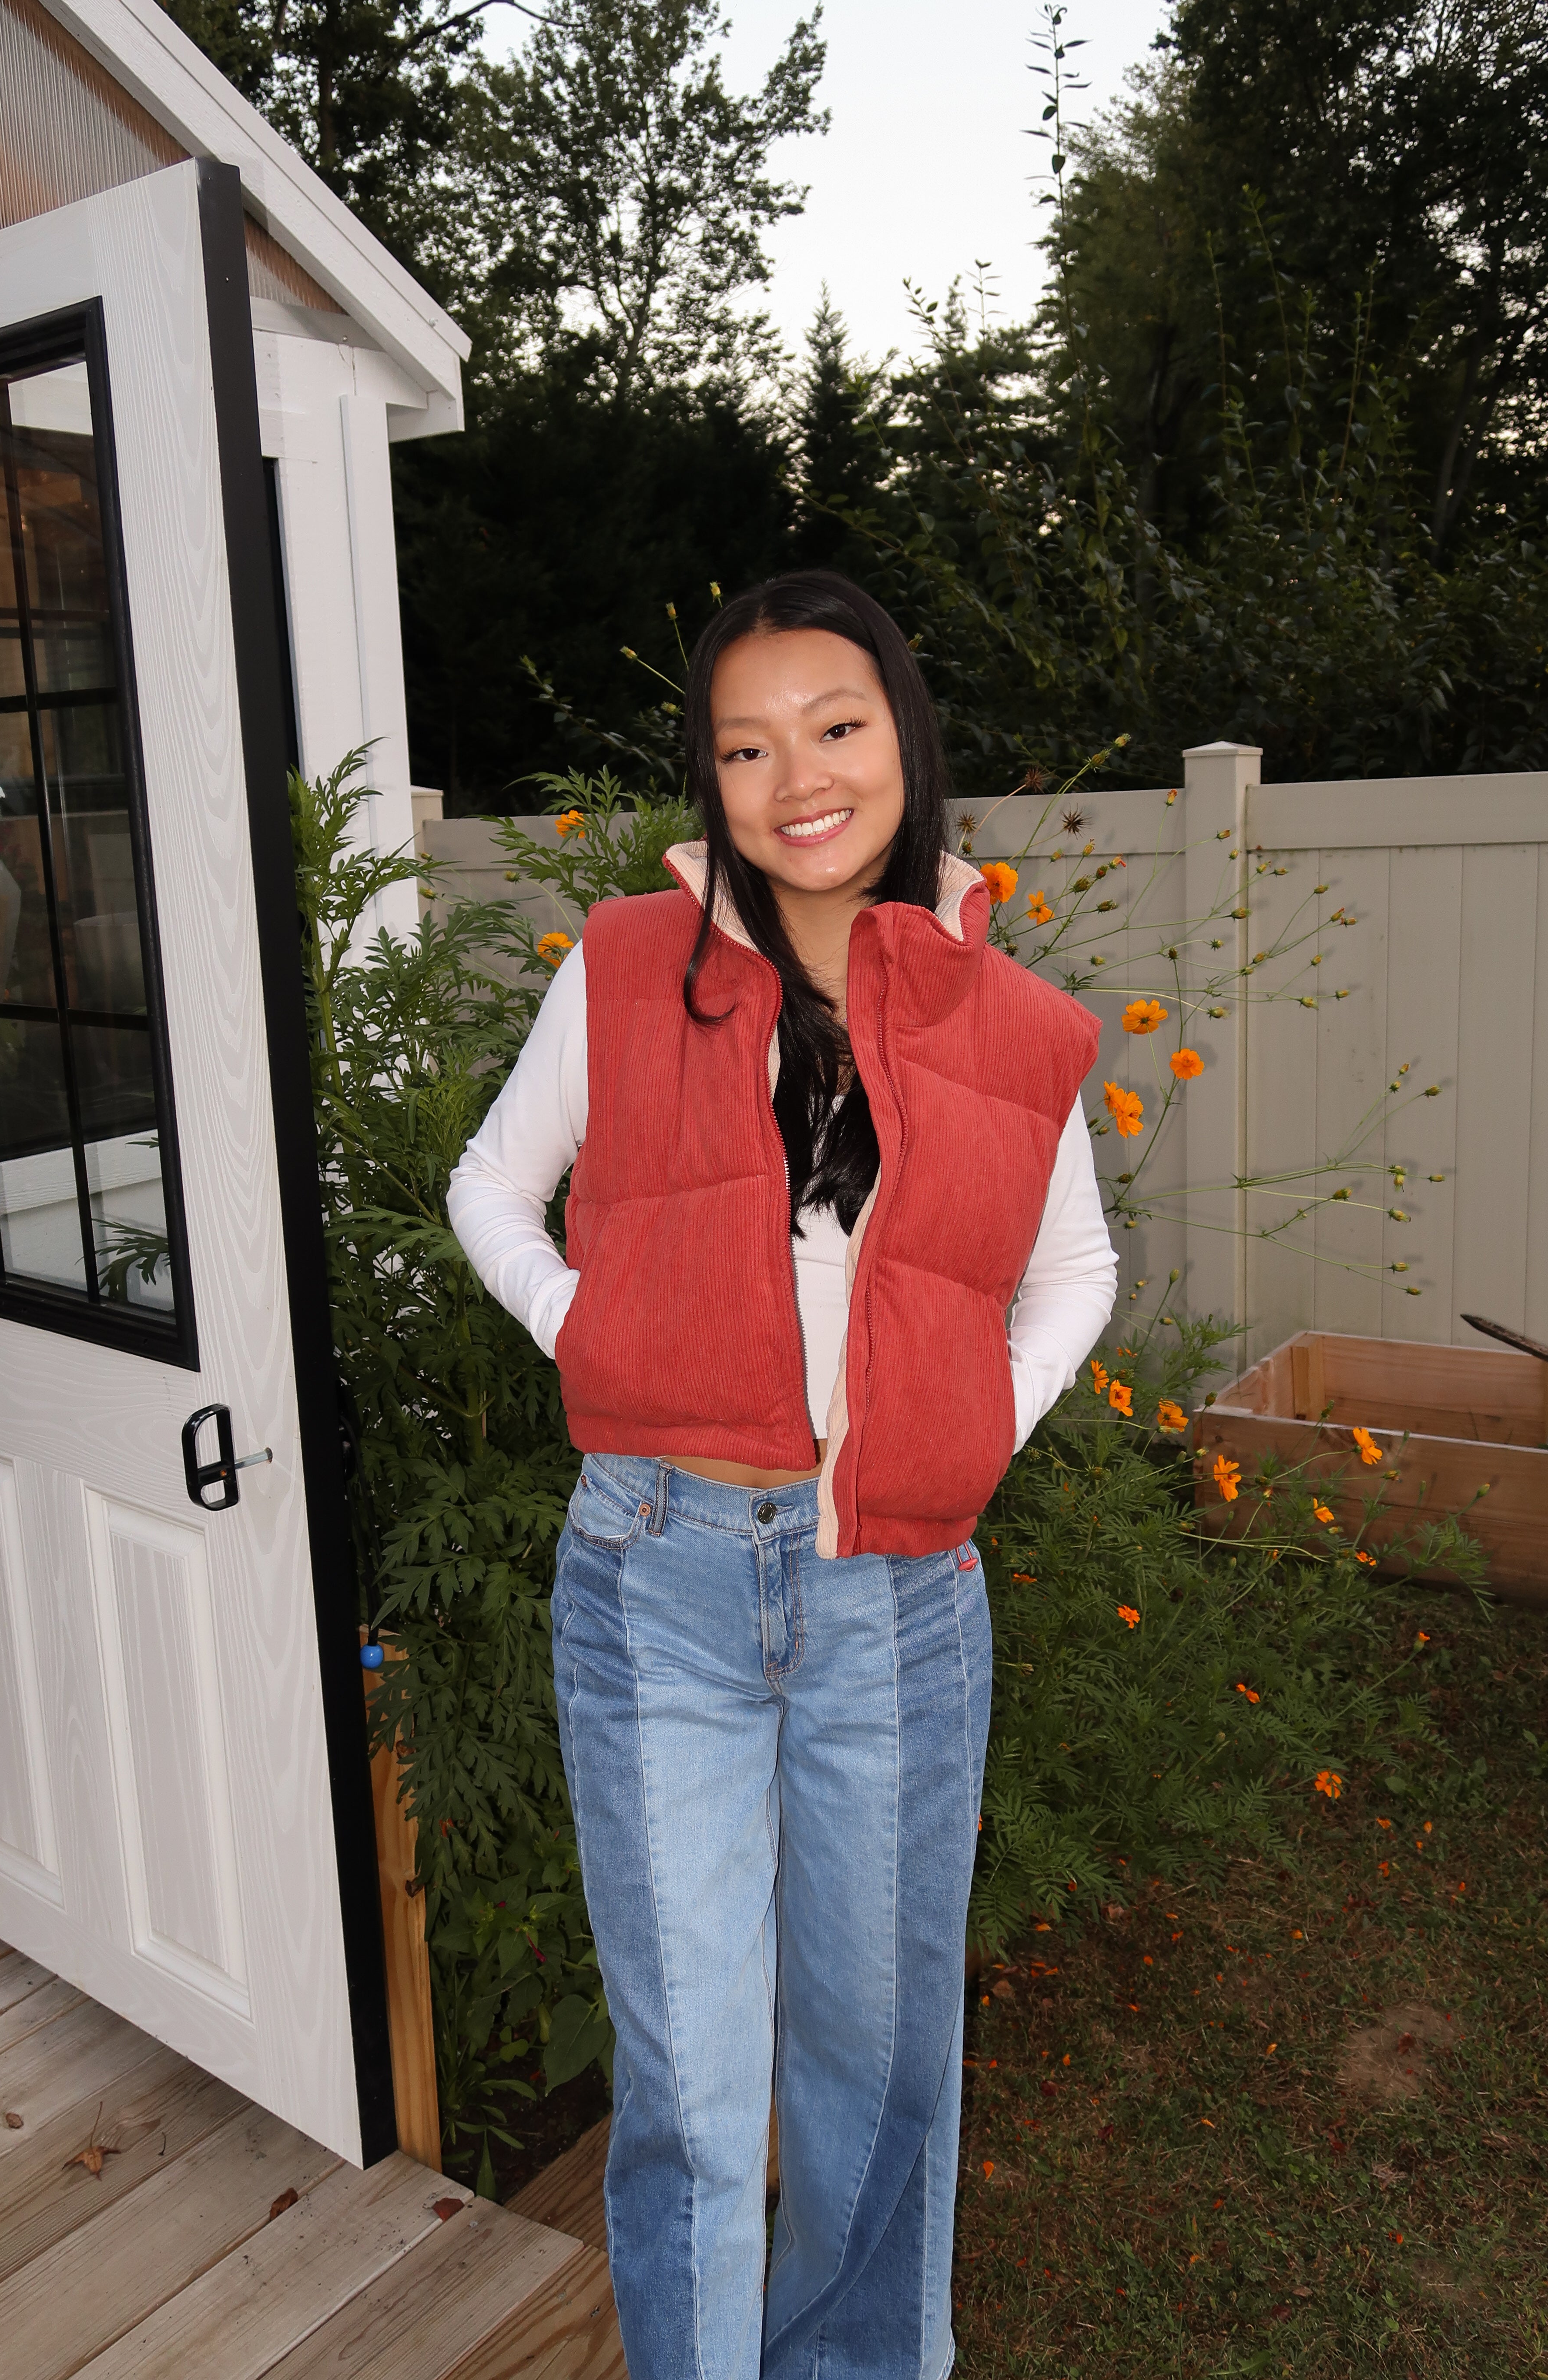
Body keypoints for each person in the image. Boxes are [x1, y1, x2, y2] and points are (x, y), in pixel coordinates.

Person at [448, 570, 1116, 2380]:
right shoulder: (620, 976)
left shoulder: (1012, 1022)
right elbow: (489, 1190)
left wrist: (977, 1415)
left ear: (904, 740)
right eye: (744, 745)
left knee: (880, 2061)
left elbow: (1076, 1274)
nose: (795, 776)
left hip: (895, 1596)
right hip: (656, 1575)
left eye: (836, 725)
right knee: (687, 2080)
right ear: (708, 780)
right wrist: (594, 1332)